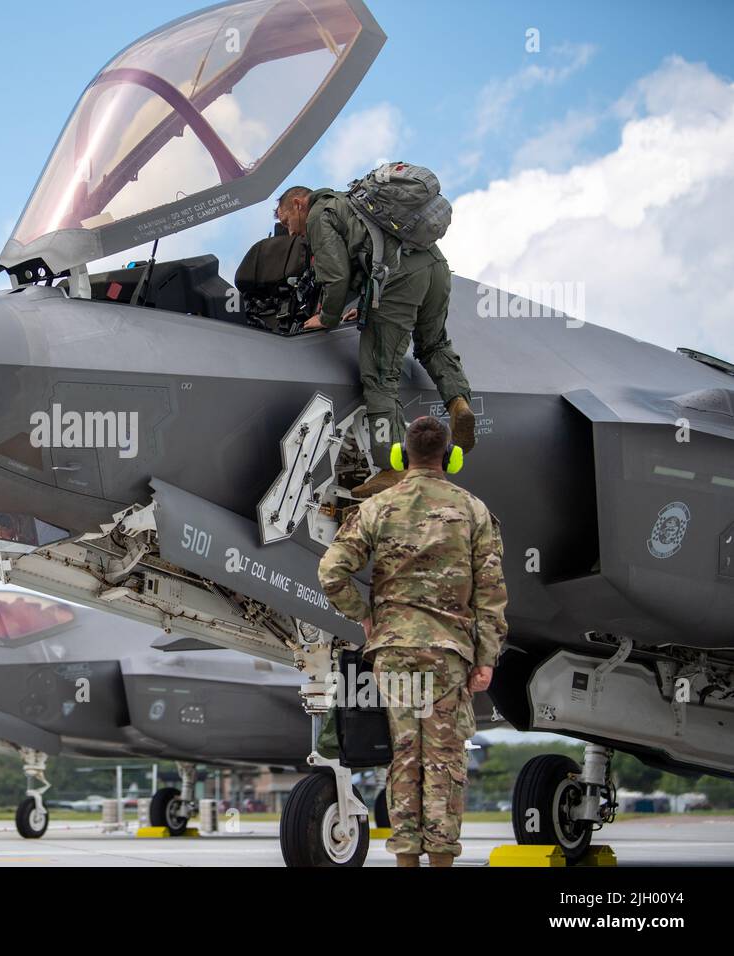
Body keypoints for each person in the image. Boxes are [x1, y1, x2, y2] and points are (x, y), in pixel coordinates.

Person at [315, 416, 508, 867]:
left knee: (404, 756)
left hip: (396, 651)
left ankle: (405, 860)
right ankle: (441, 859)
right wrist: (487, 657)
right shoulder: (473, 511)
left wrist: (366, 617)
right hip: (448, 654)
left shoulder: (378, 507)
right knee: (443, 758)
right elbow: (492, 593)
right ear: (449, 457)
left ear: (402, 456)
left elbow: (331, 572)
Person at [276, 186, 476, 497]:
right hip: (434, 267)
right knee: (433, 343)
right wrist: (367, 302)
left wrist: (326, 317)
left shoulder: (320, 215)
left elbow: (337, 274)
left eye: (287, 221)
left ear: (299, 203)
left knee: (380, 374)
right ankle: (458, 403)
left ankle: (390, 467)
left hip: (401, 277)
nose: (290, 231)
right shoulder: (356, 202)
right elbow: (368, 258)